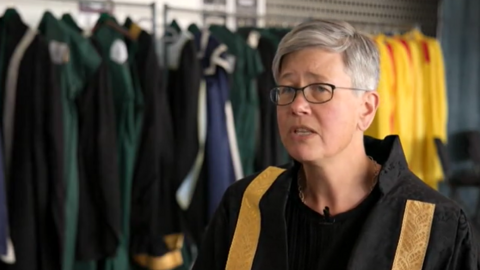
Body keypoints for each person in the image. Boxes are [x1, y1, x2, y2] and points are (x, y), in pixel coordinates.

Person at [191, 19, 480, 270]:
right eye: (288, 89)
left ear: (366, 109)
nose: (298, 105)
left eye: (319, 89)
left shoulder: (436, 225)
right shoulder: (246, 203)